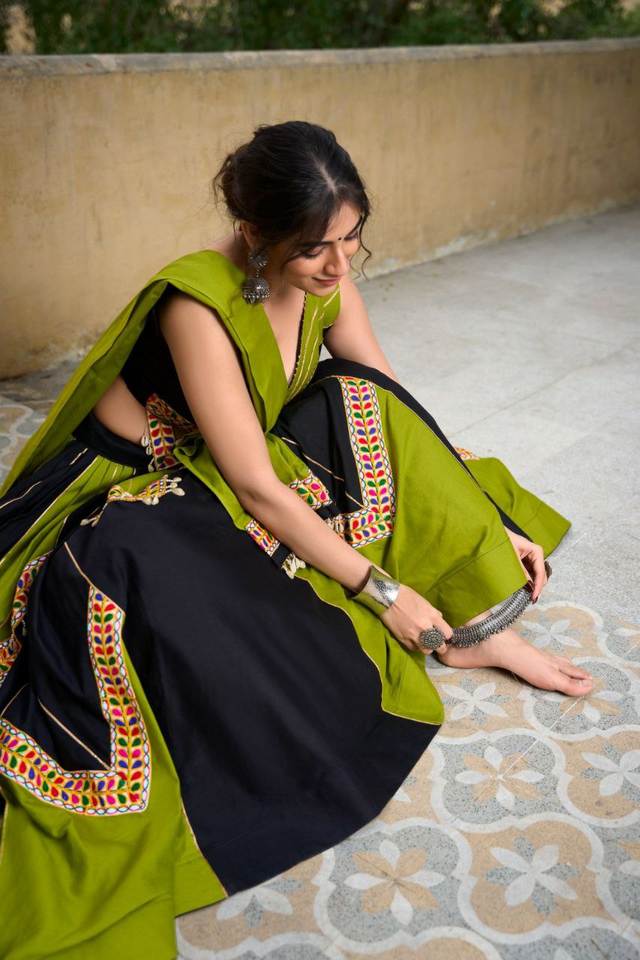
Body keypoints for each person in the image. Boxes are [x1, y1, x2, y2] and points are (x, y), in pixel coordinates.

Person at [0, 120, 593, 960]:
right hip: (134, 488)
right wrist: (384, 593)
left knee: (361, 403)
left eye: (352, 238)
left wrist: (481, 504)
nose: (338, 265)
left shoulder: (327, 276)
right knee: (181, 585)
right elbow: (255, 487)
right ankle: (406, 621)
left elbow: (387, 392)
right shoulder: (197, 305)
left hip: (227, 465)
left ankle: (471, 630)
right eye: (314, 247)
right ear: (255, 234)